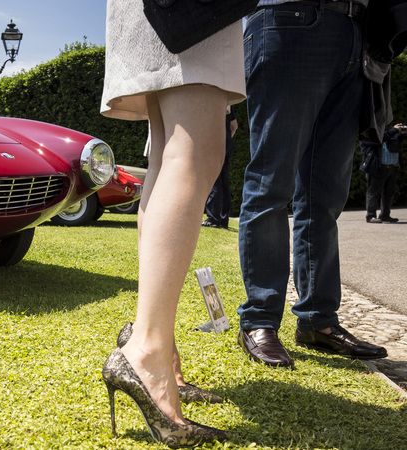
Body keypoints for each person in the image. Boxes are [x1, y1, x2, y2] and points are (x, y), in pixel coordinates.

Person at [99, 0, 245, 446]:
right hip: (191, 10)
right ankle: (148, 350)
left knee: (167, 155)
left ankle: (157, 344)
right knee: (194, 152)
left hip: (153, 12)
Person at [237, 0, 387, 370]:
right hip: (291, 18)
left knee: (325, 197)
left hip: (355, 32)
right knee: (272, 185)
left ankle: (318, 320)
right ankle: (259, 320)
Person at [361, 124, 405, 224]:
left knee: (389, 193)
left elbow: (395, 143)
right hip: (376, 167)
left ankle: (385, 215)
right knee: (374, 192)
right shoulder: (367, 134)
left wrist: (401, 134)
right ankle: (371, 216)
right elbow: (381, 138)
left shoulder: (388, 133)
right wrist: (394, 130)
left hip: (391, 167)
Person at [203, 107, 238, 228]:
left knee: (214, 179)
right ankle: (223, 219)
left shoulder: (209, 97)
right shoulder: (228, 101)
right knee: (224, 180)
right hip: (227, 141)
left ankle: (213, 218)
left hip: (215, 140)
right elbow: (234, 125)